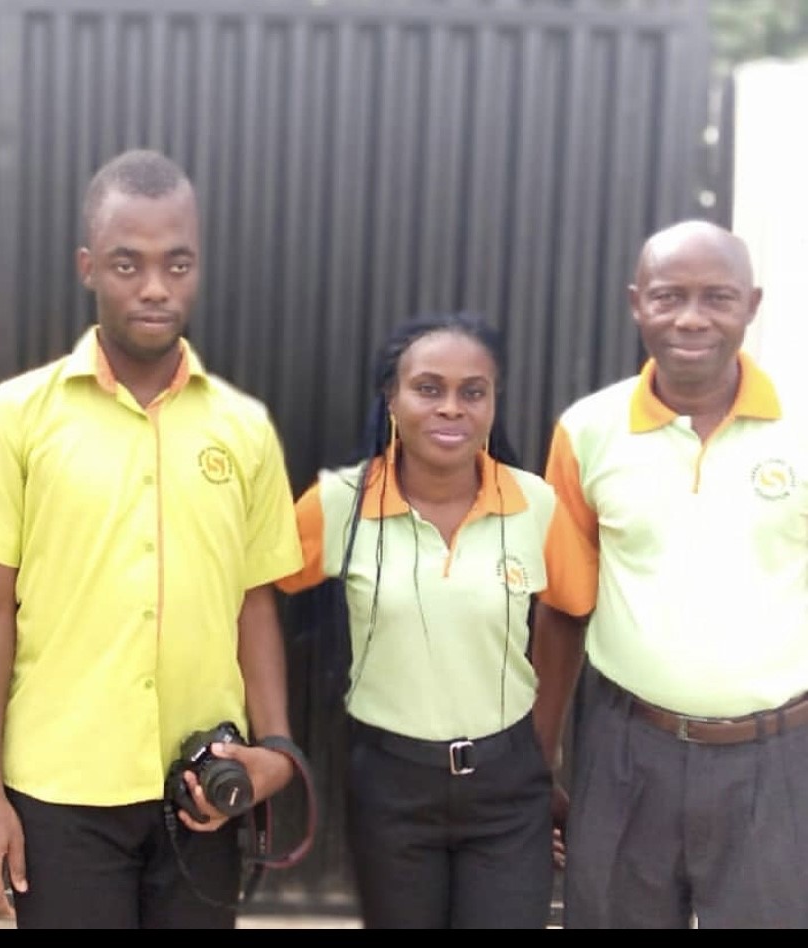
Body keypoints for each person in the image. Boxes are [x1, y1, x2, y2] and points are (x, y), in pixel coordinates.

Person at [0, 148, 304, 929]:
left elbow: (254, 602)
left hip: (202, 790)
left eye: (177, 264)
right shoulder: (17, 418)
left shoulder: (243, 430)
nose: (155, 287)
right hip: (58, 794)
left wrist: (275, 750)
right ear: (88, 267)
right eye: (128, 264)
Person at [531, 219, 808, 928]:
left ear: (752, 304)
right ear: (637, 303)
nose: (691, 318)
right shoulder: (588, 430)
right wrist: (540, 759)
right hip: (627, 753)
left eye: (717, 297)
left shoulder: (800, 426)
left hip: (778, 760)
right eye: (668, 296)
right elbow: (562, 607)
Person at [275, 312, 591, 928]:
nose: (451, 407)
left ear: (493, 403)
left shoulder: (535, 504)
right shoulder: (343, 502)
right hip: (390, 783)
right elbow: (254, 588)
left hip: (508, 785)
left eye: (473, 392)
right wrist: (269, 733)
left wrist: (540, 746)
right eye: (428, 388)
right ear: (391, 398)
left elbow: (570, 611)